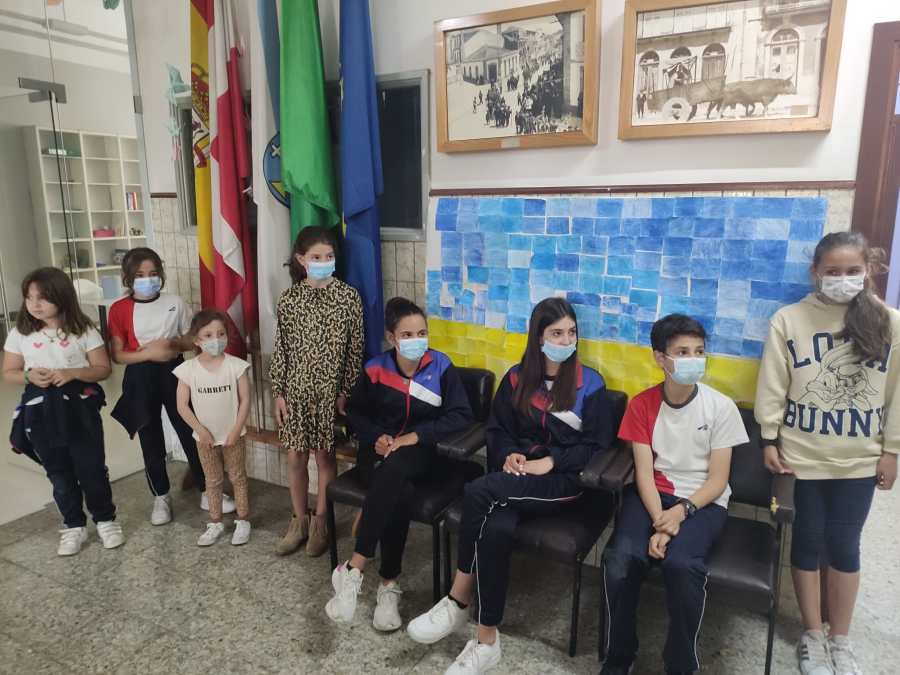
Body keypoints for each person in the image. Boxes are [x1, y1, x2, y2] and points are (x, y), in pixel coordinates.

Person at [407, 298, 616, 675]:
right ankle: (487, 641)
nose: (566, 340)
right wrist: (509, 456)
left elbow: (596, 447)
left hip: (565, 482)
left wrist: (550, 461)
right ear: (538, 338)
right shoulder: (518, 379)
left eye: (571, 333)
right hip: (517, 477)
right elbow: (498, 430)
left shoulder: (591, 384)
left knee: (478, 491)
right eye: (557, 333)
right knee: (494, 526)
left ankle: (457, 599)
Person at [755, 232, 899, 675]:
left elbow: (897, 395)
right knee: (807, 541)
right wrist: (768, 438)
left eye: (852, 271)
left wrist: (892, 451)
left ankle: (841, 639)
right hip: (801, 457)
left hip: (859, 459)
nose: (842, 279)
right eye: (832, 271)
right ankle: (813, 634)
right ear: (815, 271)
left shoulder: (890, 323)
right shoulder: (789, 319)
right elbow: (773, 384)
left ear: (868, 270)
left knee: (845, 545)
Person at [599, 314, 748, 675]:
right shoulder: (641, 405)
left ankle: (680, 665)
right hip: (653, 497)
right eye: (682, 352)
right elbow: (644, 474)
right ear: (660, 358)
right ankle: (619, 658)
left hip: (703, 501)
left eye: (699, 351)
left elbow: (718, 480)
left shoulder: (721, 407)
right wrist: (659, 521)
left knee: (682, 566)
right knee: (620, 561)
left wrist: (679, 515)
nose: (693, 359)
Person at [324, 297, 473, 629]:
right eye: (407, 334)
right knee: (399, 488)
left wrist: (415, 436)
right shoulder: (375, 369)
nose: (416, 340)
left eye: (421, 333)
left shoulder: (441, 366)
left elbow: (461, 415)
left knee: (399, 467)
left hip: (423, 454)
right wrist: (377, 436)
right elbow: (355, 414)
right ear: (391, 338)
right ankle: (388, 585)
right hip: (377, 453)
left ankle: (354, 568)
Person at [2, 267, 123, 556]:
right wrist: (29, 376)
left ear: (61, 296)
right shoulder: (20, 333)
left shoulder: (84, 330)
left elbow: (102, 369)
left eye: (42, 297)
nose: (35, 304)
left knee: (91, 468)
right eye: (29, 297)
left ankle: (105, 520)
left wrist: (73, 373)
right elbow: (9, 372)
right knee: (58, 471)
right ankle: (73, 525)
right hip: (40, 412)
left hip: (79, 409)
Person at [108, 247, 229, 525]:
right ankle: (160, 496)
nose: (147, 280)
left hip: (174, 372)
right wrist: (148, 354)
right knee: (150, 436)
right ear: (128, 278)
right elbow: (118, 354)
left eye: (152, 274)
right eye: (139, 275)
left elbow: (191, 339)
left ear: (160, 275)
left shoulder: (175, 302)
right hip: (139, 376)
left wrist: (173, 345)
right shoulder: (119, 309)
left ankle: (207, 489)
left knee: (191, 430)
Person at [269, 226, 364, 557]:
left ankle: (322, 521)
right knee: (295, 456)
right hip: (295, 391)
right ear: (301, 259)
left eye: (329, 256)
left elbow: (355, 351)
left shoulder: (348, 298)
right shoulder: (290, 299)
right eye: (316, 257)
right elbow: (281, 350)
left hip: (329, 393)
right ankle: (299, 520)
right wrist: (279, 392)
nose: (324, 262)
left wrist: (345, 390)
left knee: (325, 456)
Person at [174, 310, 252, 546]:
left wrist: (236, 430)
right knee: (213, 480)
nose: (215, 339)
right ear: (196, 340)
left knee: (238, 477)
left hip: (233, 436)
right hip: (204, 439)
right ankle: (215, 522)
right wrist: (200, 430)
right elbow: (181, 405)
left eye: (220, 334)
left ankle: (243, 520)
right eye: (208, 335)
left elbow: (245, 400)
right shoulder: (188, 369)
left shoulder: (236, 366)